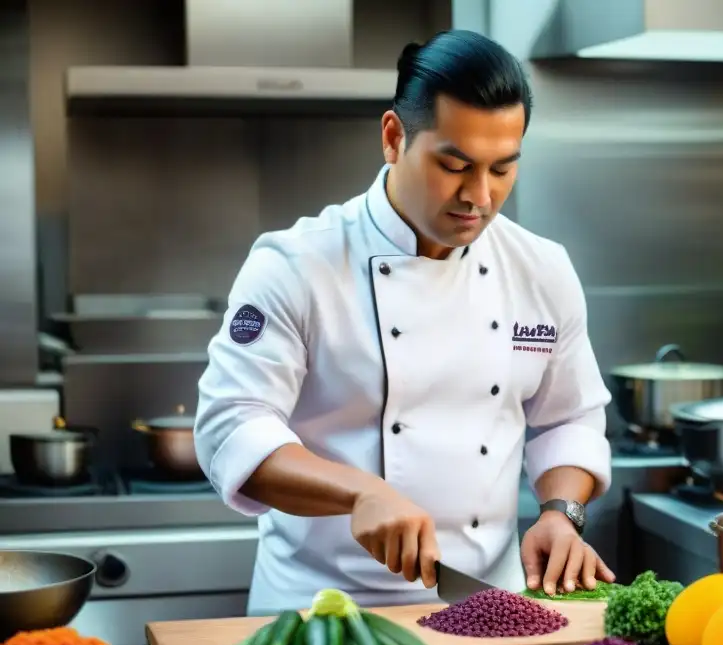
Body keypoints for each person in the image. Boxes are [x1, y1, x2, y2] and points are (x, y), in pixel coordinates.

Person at [194, 29, 614, 615]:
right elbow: (230, 428)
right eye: (455, 165)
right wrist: (360, 491)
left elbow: (568, 418)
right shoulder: (297, 265)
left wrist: (560, 513)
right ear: (394, 137)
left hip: (484, 605)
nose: (480, 197)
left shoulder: (540, 269)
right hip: (317, 612)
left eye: (501, 169)